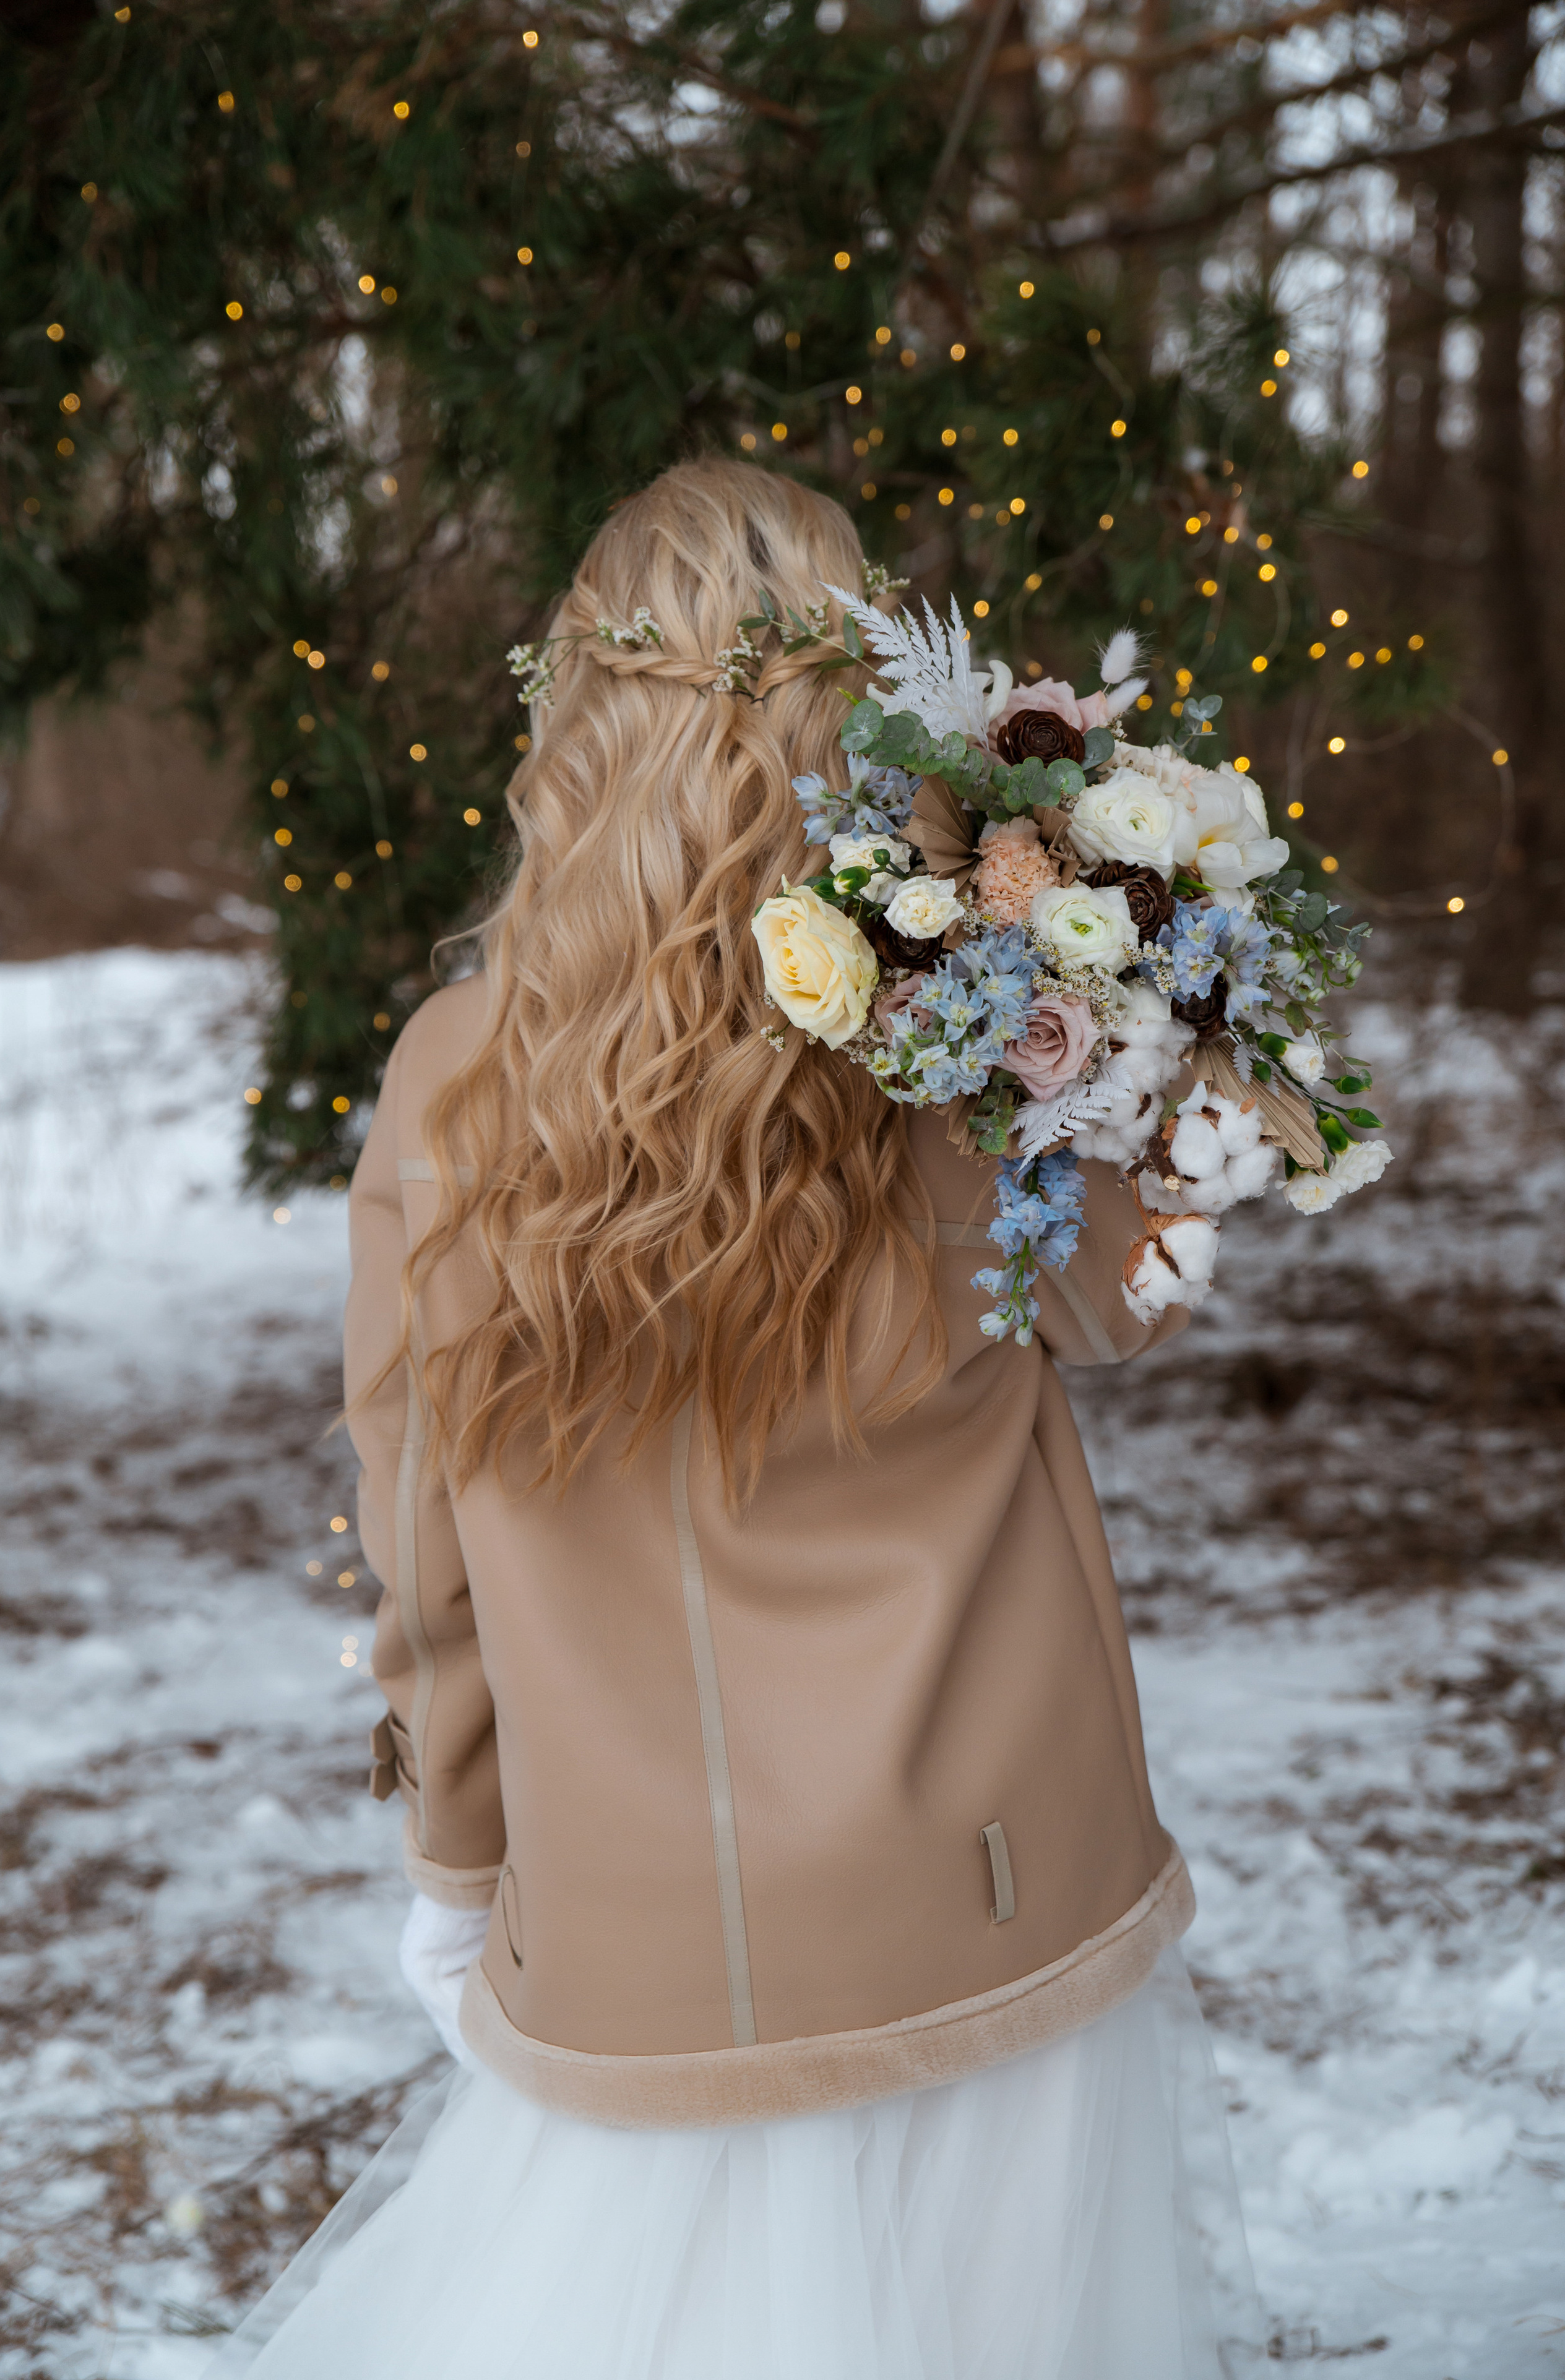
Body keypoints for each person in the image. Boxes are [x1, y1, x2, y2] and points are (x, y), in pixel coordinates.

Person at [208, 458, 1262, 2378]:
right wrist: (1152, 1006)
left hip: (649, 1924)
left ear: (576, 714)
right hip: (994, 1875)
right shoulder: (965, 1025)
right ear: (859, 696)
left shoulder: (458, 1080)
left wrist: (456, 1868)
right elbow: (1128, 1301)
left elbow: (423, 1532)